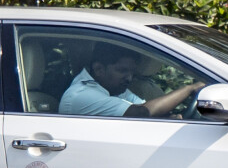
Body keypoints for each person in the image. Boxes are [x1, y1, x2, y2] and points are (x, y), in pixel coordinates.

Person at [57, 45, 207, 118]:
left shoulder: (112, 88)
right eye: (122, 71)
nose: (129, 78)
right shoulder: (82, 95)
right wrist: (189, 88)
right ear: (99, 69)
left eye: (131, 72)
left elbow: (143, 107)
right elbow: (142, 112)